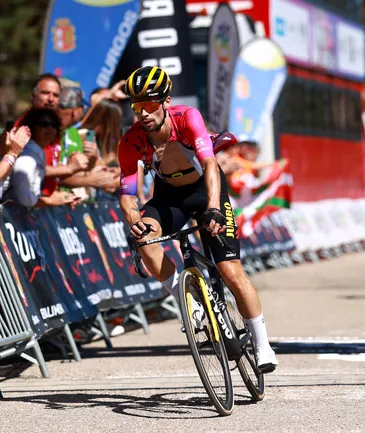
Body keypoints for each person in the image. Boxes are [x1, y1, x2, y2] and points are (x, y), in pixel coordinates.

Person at [117, 66, 278, 372]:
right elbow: (126, 192)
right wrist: (134, 218)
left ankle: (262, 344)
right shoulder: (131, 141)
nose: (144, 114)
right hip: (169, 197)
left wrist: (215, 207)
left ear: (166, 101)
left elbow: (210, 164)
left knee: (230, 271)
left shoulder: (187, 117)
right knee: (143, 237)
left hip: (205, 191)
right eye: (138, 107)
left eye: (150, 105)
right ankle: (185, 297)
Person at [2, 109, 78, 208]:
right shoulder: (27, 156)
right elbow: (24, 200)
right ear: (31, 128)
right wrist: (51, 200)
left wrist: (61, 198)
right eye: (44, 124)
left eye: (54, 124)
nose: (50, 128)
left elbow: (33, 193)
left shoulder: (39, 152)